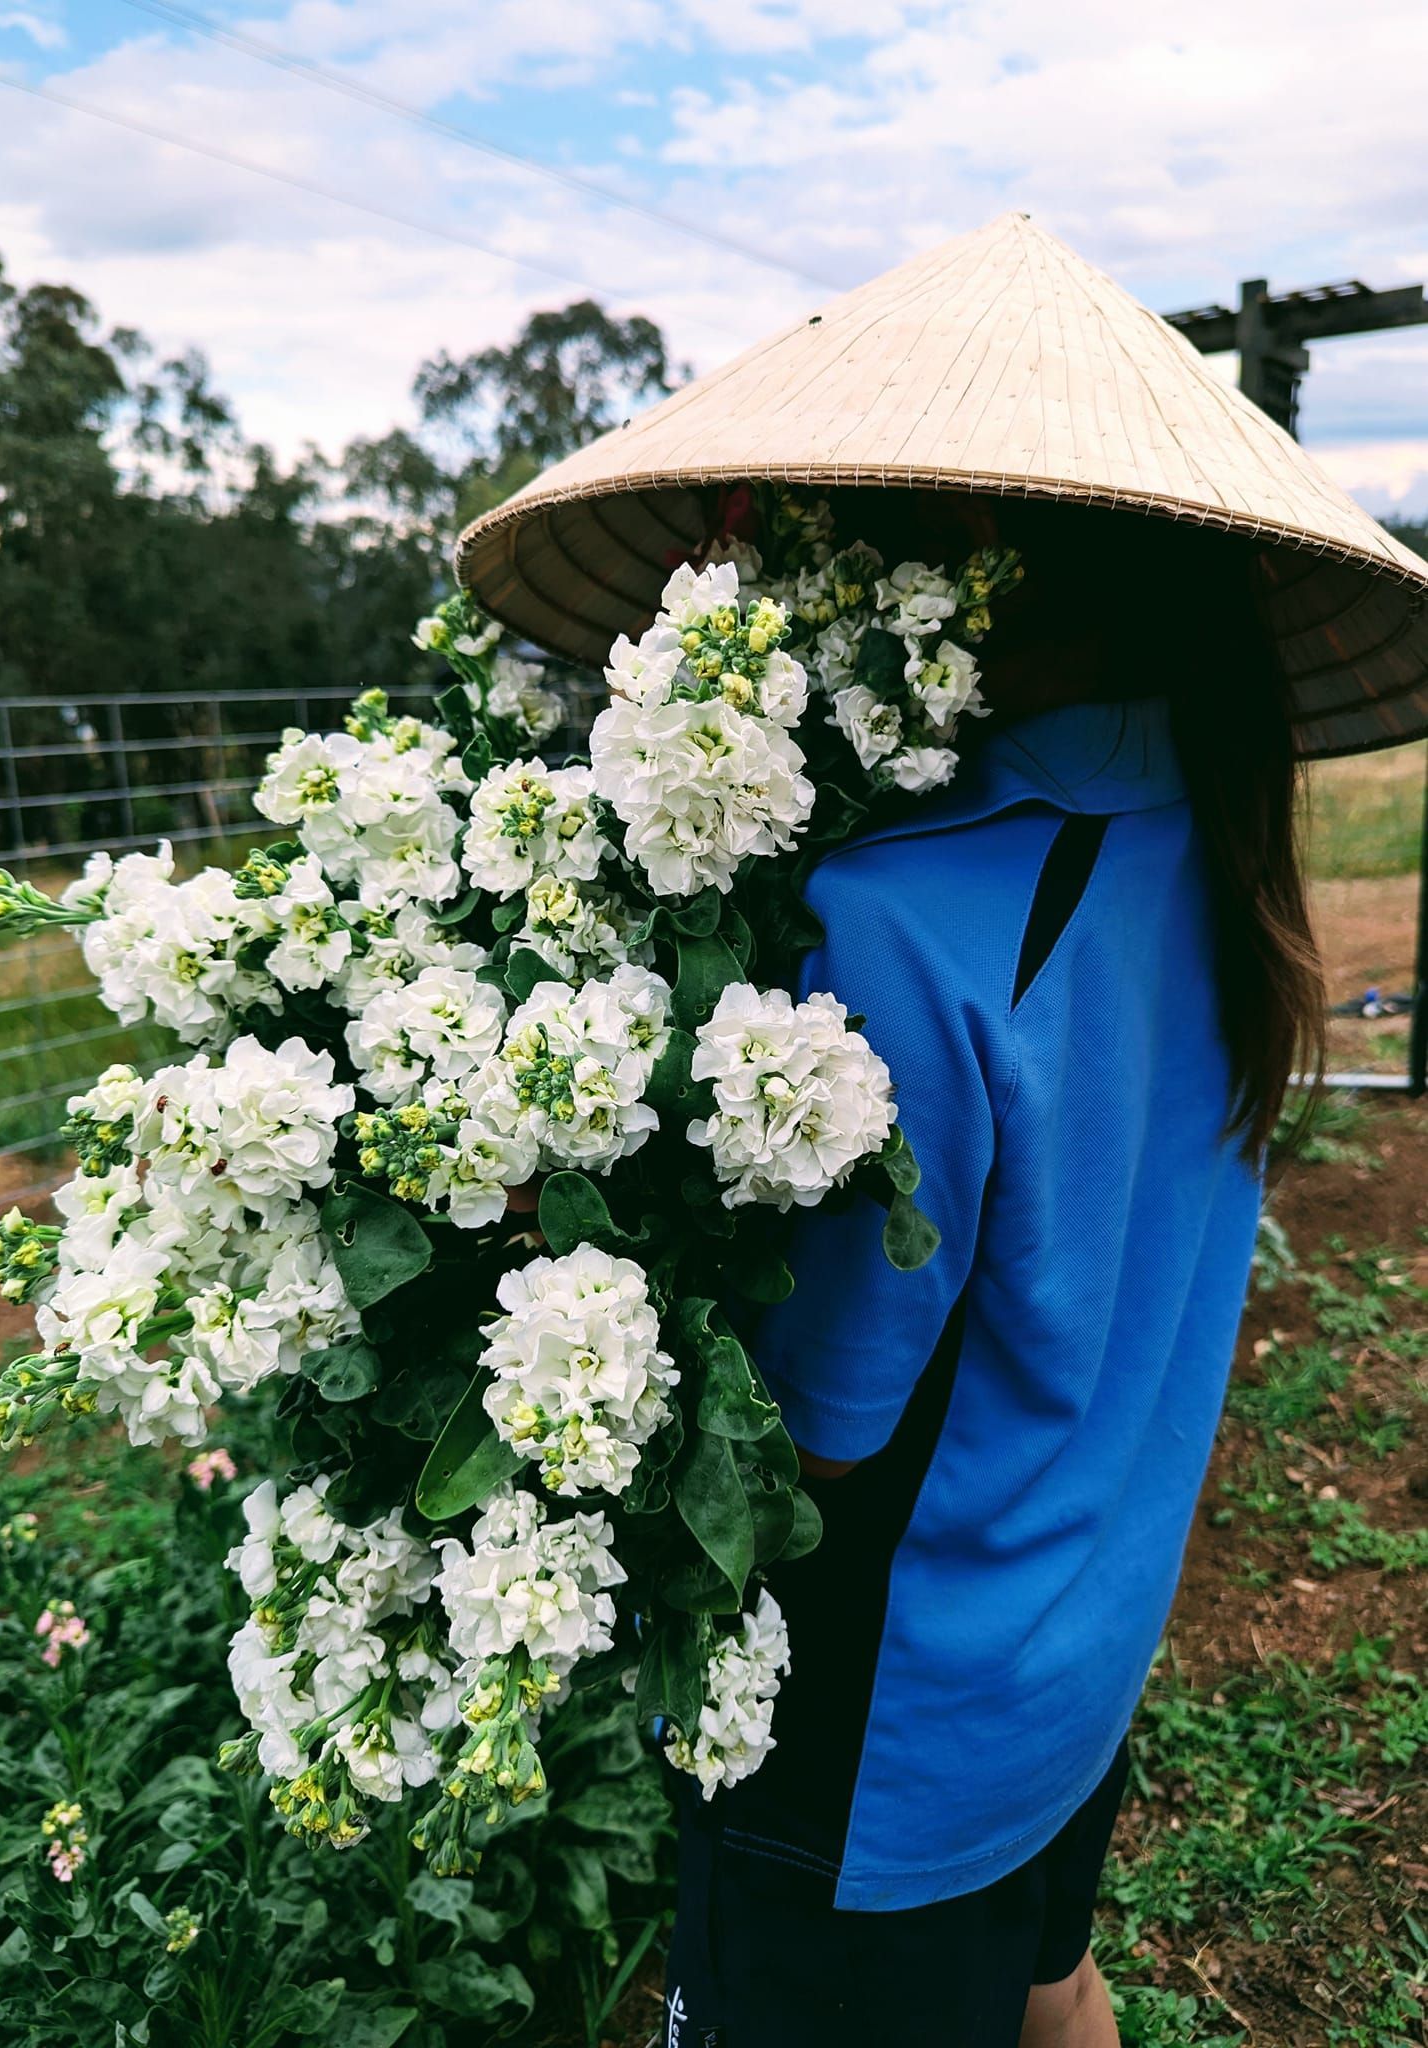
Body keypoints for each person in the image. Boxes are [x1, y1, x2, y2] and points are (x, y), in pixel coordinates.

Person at [660, 493, 1328, 2048]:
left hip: (883, 1712)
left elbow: (818, 1434)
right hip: (1071, 1648)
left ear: (982, 580)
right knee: (1048, 1984)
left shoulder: (911, 916)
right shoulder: (1213, 847)